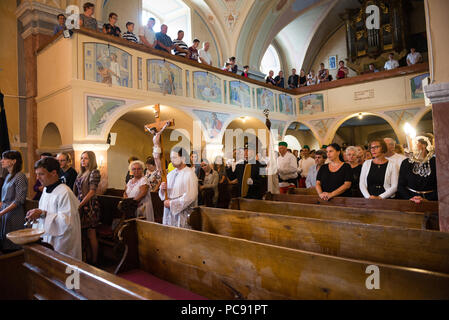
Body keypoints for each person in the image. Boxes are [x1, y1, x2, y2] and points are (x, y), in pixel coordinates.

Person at [26, 157, 82, 260]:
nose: (37, 178)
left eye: (41, 174)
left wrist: (43, 213)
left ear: (53, 173)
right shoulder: (46, 190)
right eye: (37, 174)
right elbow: (43, 213)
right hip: (47, 238)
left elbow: (67, 222)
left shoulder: (65, 192)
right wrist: (36, 215)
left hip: (62, 242)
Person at [159, 147, 198, 228]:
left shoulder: (190, 174)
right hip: (169, 211)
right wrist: (162, 189)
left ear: (183, 158)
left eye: (174, 157)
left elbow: (191, 196)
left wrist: (171, 203)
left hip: (182, 213)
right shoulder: (170, 174)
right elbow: (164, 195)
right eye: (171, 158)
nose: (172, 160)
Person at [73, 151, 101, 265]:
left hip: (90, 206)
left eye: (86, 158)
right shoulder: (81, 173)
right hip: (81, 205)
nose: (83, 160)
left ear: (92, 160)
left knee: (91, 233)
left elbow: (92, 191)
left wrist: (80, 204)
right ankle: (88, 258)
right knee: (83, 234)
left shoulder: (94, 172)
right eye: (82, 158)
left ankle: (94, 261)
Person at [0, 151, 28, 253]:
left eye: (4, 158)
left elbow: (19, 200)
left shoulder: (20, 176)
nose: (1, 161)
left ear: (13, 161)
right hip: (5, 212)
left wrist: (2, 212)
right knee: (5, 244)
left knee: (13, 246)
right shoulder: (8, 176)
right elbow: (4, 198)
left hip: (14, 214)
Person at [397, 135, 437, 202]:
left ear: (424, 145)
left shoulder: (435, 162)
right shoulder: (406, 162)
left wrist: (428, 200)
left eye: (415, 143)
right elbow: (401, 186)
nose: (412, 146)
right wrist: (410, 198)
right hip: (411, 200)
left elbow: (442, 186)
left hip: (432, 201)